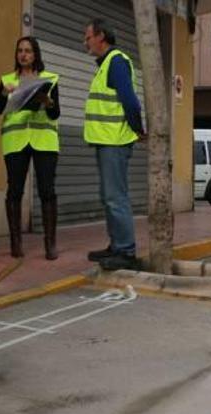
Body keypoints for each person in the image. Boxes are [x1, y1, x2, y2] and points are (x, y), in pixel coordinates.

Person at [82, 18, 145, 271]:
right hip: (106, 141)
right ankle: (116, 245)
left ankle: (126, 251)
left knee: (116, 197)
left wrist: (137, 129)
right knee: (108, 197)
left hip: (115, 142)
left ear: (101, 37)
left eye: (88, 37)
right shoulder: (107, 63)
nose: (85, 41)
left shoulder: (116, 61)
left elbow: (130, 101)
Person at [0, 36, 61, 260]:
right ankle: (15, 242)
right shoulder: (7, 80)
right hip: (16, 140)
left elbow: (55, 113)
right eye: (20, 51)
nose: (23, 55)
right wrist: (4, 94)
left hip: (44, 141)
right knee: (14, 190)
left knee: (47, 190)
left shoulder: (49, 79)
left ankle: (50, 244)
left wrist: (48, 102)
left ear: (36, 54)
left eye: (28, 51)